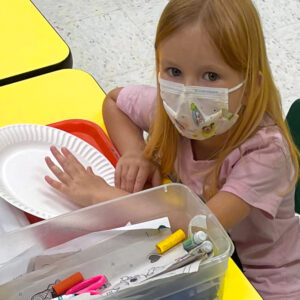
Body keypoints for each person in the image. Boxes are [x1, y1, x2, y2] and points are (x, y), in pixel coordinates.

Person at [44, 0, 300, 298]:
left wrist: (101, 196)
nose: (187, 94)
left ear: (252, 86)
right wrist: (137, 152)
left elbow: (202, 225)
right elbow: (114, 102)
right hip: (194, 257)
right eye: (174, 71)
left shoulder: (266, 152)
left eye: (211, 76)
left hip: (265, 276)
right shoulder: (171, 113)